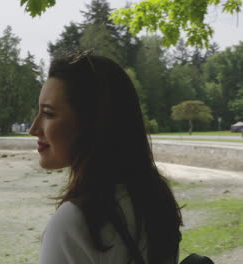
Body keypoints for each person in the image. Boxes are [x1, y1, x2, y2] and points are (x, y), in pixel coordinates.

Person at [29, 51, 183, 264]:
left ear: (91, 124)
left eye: (48, 114)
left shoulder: (75, 222)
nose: (33, 129)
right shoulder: (155, 198)